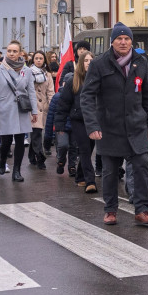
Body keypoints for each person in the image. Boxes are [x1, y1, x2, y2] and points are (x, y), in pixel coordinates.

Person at [79, 23, 148, 226]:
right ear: (112, 41)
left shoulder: (141, 62)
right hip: (109, 127)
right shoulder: (99, 64)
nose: (123, 42)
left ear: (132, 41)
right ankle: (110, 210)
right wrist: (92, 125)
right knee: (111, 172)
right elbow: (87, 96)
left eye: (127, 39)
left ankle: (142, 210)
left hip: (136, 125)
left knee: (141, 168)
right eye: (119, 39)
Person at [0, 40, 39, 182]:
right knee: (5, 141)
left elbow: (31, 92)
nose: (11, 53)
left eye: (14, 51)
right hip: (4, 110)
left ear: (20, 53)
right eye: (9, 51)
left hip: (21, 110)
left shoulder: (27, 71)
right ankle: (2, 159)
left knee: (20, 140)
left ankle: (16, 171)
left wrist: (34, 112)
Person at [56, 52, 98, 194]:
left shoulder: (98, 79)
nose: (88, 63)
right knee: (85, 149)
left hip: (94, 120)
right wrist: (60, 125)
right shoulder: (73, 81)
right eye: (85, 60)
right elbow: (63, 104)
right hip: (78, 120)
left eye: (91, 60)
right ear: (81, 63)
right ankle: (90, 181)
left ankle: (80, 175)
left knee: (90, 148)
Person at [27, 51, 54, 170]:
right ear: (33, 60)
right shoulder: (28, 72)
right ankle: (40, 157)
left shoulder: (47, 75)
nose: (38, 60)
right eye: (36, 58)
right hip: (31, 108)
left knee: (36, 133)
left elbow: (50, 91)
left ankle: (31, 156)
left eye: (41, 58)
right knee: (36, 133)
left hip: (43, 107)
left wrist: (51, 105)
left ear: (44, 60)